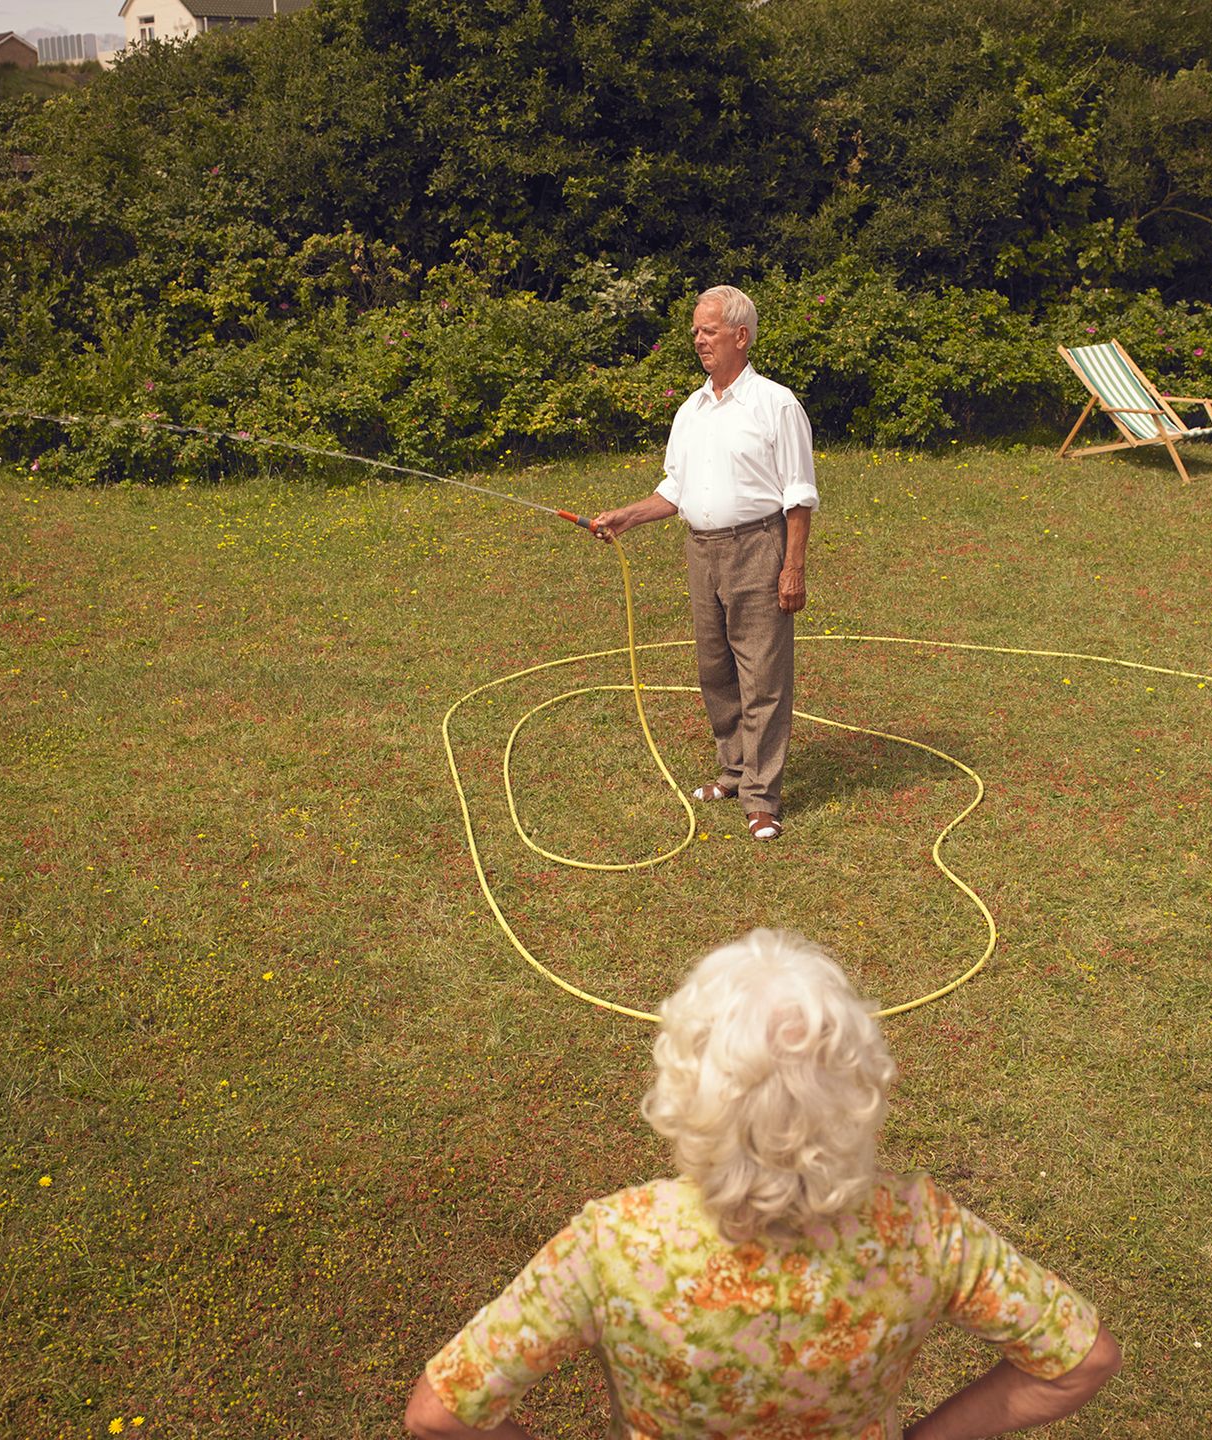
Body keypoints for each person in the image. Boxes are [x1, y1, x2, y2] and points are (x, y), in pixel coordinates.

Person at [404, 930, 1122, 1440]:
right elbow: (1080, 1363)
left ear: (685, 1087)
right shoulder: (922, 1234)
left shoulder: (614, 1244)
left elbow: (438, 1413)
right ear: (857, 1087)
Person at [592, 287, 817, 843]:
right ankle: (735, 772)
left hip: (758, 548)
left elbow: (799, 495)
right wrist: (629, 515)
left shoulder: (776, 404)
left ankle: (762, 799)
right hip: (701, 551)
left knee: (762, 675)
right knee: (715, 670)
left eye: (708, 330)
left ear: (740, 336)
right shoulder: (690, 409)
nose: (697, 339)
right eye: (695, 331)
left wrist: (792, 568)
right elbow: (675, 488)